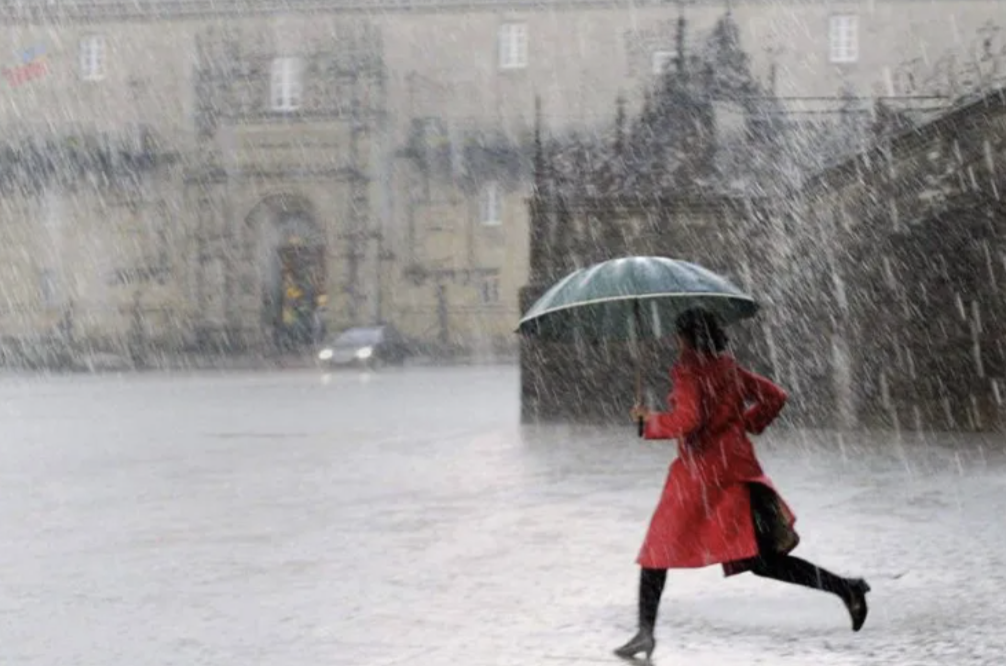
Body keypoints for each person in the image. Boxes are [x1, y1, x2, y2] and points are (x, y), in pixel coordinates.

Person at [614, 308, 870, 661]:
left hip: (701, 477)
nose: (675, 342)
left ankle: (645, 632)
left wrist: (648, 423)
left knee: (657, 551)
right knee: (762, 561)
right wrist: (746, 424)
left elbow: (689, 420)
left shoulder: (689, 371)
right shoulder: (728, 368)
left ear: (686, 338)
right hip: (737, 470)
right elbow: (775, 396)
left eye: (678, 335)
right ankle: (847, 588)